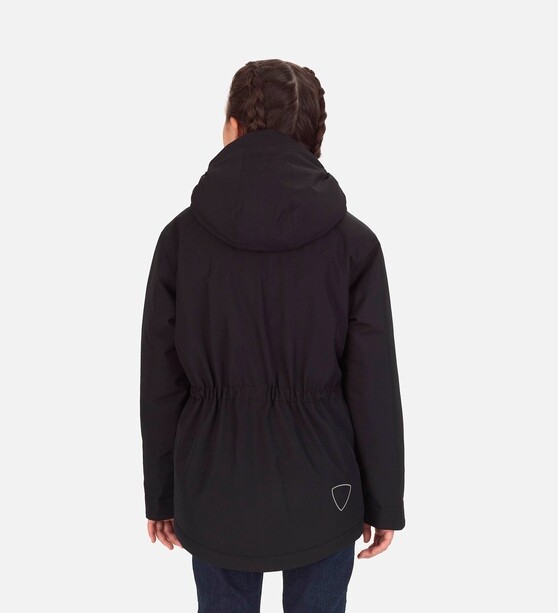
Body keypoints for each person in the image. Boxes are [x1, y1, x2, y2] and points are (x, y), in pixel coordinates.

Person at [140, 58, 406, 613]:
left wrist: (161, 493)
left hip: (213, 483)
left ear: (232, 126)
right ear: (314, 139)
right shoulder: (354, 244)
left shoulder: (180, 240)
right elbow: (373, 382)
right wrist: (384, 499)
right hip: (325, 486)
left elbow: (161, 379)